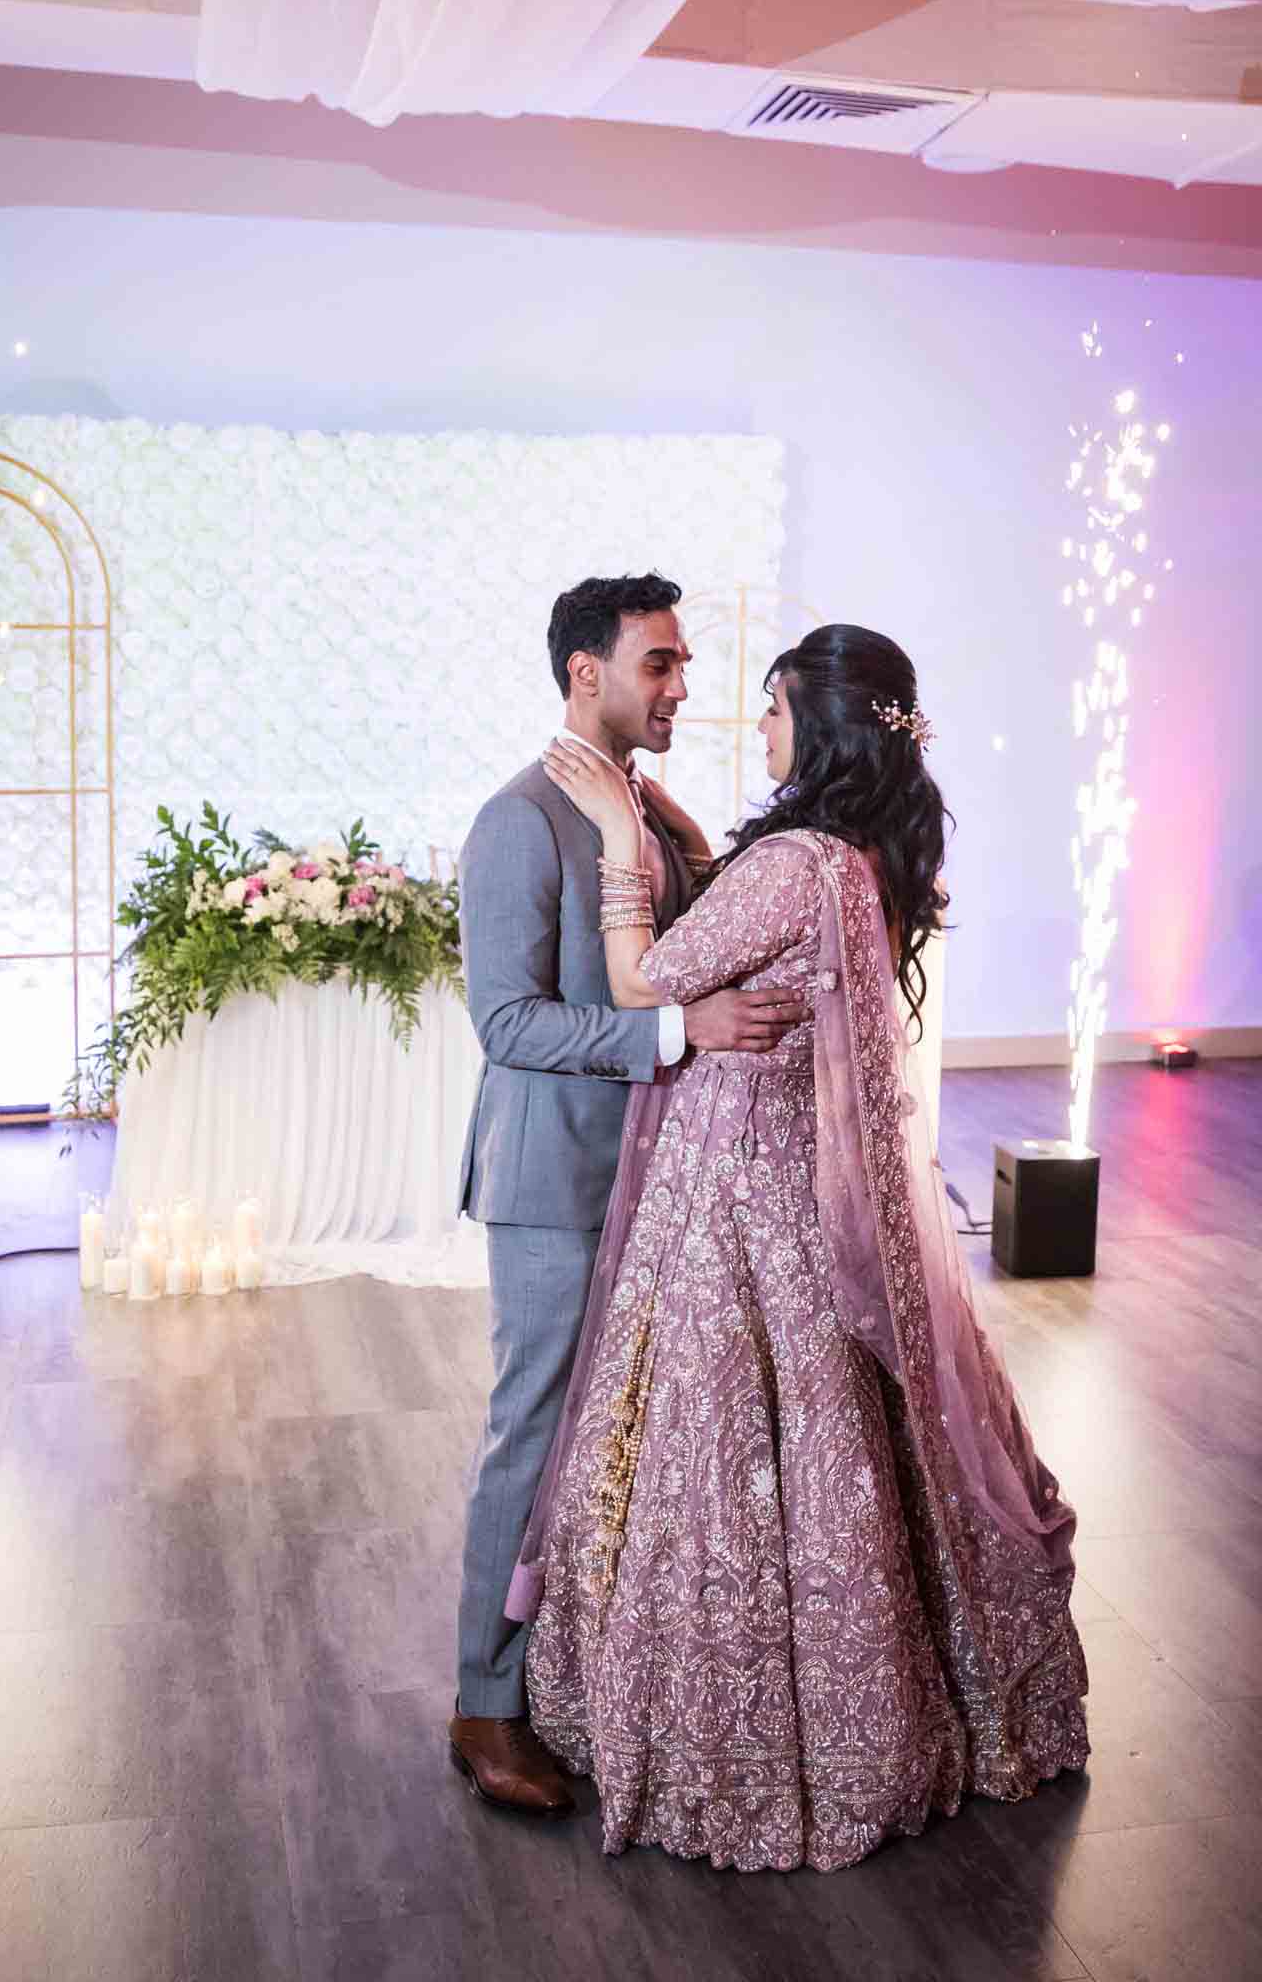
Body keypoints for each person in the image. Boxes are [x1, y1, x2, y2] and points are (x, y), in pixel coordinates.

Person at [518, 623, 1089, 1872]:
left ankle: (751, 1751)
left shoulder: (793, 863)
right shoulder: (866, 856)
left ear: (819, 726)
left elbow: (644, 980)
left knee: (732, 1455)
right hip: (797, 1192)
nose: (759, 729)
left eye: (774, 710)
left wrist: (623, 845)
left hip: (738, 1199)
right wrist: (678, 828)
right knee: (835, 1446)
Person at [450, 574, 811, 1815]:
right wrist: (676, 1033)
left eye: (685, 663)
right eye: (658, 662)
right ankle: (482, 1706)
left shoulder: (654, 814)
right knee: (534, 1433)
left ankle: (575, 1686)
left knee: (621, 1447)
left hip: (660, 1175)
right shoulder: (519, 819)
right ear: (583, 672)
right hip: (555, 1175)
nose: (680, 686)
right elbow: (506, 1020)